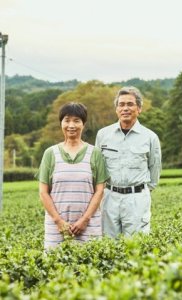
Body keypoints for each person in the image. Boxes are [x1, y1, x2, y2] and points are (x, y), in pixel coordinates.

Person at [38, 102, 109, 250]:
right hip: (56, 227)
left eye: (77, 120)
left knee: (90, 267)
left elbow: (100, 191)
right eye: (67, 120)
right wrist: (59, 222)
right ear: (61, 123)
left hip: (89, 226)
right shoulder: (50, 153)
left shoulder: (95, 153)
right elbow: (43, 192)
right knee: (55, 268)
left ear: (83, 124)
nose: (71, 125)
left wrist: (84, 220)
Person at [95, 86, 162, 238]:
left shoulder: (150, 137)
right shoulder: (103, 135)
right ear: (116, 109)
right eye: (121, 104)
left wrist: (140, 191)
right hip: (109, 197)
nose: (125, 108)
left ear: (139, 109)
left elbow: (155, 169)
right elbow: (98, 169)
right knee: (108, 244)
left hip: (137, 198)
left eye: (130, 104)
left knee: (136, 245)